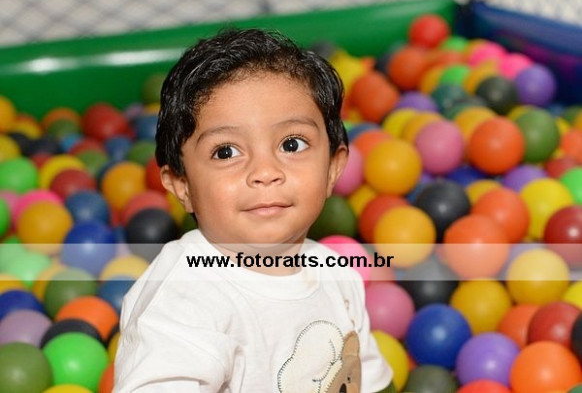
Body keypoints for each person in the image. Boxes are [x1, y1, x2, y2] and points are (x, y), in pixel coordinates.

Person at [114, 28, 394, 393]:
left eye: (291, 144)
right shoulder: (184, 299)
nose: (264, 171)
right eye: (226, 152)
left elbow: (366, 379)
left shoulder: (337, 274)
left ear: (332, 168)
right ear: (183, 185)